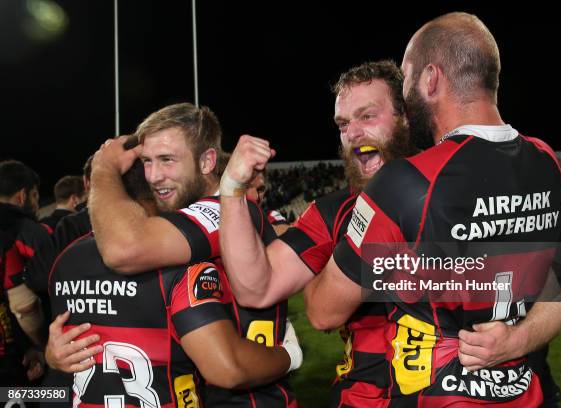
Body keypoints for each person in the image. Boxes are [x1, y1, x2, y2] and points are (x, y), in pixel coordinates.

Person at [303, 12, 561, 406]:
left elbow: (323, 313)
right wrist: (515, 339)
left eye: (407, 79)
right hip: (523, 394)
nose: (407, 94)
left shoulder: (405, 182)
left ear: (430, 79)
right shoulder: (546, 162)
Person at [48, 103, 298, 407]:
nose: (153, 176)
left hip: (251, 395)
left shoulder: (225, 211)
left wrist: (104, 167)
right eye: (147, 162)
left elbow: (124, 250)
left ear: (207, 161)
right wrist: (57, 354)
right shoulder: (183, 224)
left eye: (167, 160)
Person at [220, 60, 417, 405]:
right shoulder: (332, 211)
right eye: (343, 124)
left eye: (367, 116)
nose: (353, 133)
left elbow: (535, 284)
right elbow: (257, 287)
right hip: (363, 398)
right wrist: (232, 189)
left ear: (406, 118)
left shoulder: (453, 192)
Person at [0, 160, 50, 384]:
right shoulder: (25, 229)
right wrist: (39, 346)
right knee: (53, 397)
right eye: (35, 197)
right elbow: (47, 281)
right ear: (22, 196)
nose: (36, 204)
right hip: (17, 354)